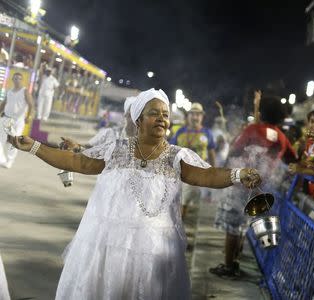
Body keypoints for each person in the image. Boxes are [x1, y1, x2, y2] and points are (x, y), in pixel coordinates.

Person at [7, 88, 262, 299]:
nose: (162, 118)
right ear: (139, 119)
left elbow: (206, 175)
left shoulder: (176, 157)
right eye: (154, 114)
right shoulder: (116, 150)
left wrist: (237, 175)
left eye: (165, 114)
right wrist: (36, 147)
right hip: (106, 243)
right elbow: (77, 162)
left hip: (154, 251)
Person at [210, 95, 296, 277]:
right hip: (260, 189)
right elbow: (293, 160)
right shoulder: (282, 137)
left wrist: (224, 172)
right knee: (242, 224)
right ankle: (235, 259)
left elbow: (234, 150)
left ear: (262, 113)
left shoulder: (253, 129)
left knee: (232, 227)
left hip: (240, 184)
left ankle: (228, 266)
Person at [170, 102, 216, 218]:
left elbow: (211, 153)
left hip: (199, 175)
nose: (195, 117)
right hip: (181, 173)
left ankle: (188, 232)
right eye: (193, 114)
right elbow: (171, 151)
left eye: (198, 115)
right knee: (181, 206)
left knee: (193, 209)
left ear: (202, 117)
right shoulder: (180, 132)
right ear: (188, 116)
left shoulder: (207, 133)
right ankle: (180, 230)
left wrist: (214, 171)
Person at [0, 72, 34, 168]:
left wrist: (28, 116)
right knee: (0, 139)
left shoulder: (25, 91)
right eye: (15, 78)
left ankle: (10, 161)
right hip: (6, 118)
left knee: (15, 141)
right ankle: (1, 159)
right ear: (12, 80)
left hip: (18, 121)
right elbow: (3, 104)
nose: (17, 80)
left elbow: (31, 104)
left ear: (22, 80)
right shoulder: (9, 91)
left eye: (19, 78)